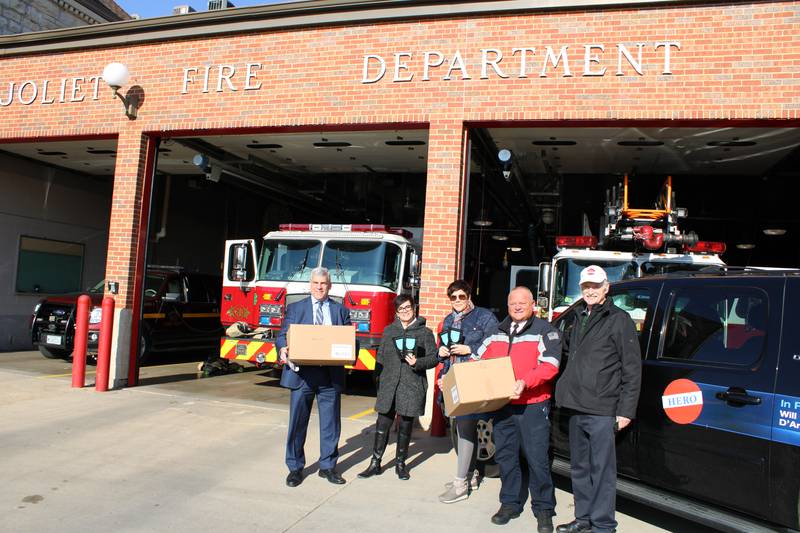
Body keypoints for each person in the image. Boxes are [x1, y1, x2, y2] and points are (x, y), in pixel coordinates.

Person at [555, 265, 642, 533]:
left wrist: (626, 410)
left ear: (606, 288)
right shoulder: (578, 316)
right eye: (586, 286)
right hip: (576, 405)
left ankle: (604, 526)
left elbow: (632, 367)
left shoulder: (619, 319)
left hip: (603, 408)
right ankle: (584, 520)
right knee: (579, 469)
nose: (590, 291)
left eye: (595, 286)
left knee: (601, 471)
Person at [477, 286, 561, 533]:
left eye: (522, 303)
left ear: (533, 304)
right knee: (506, 457)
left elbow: (550, 365)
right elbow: (478, 359)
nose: (517, 307)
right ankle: (509, 503)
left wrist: (525, 382)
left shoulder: (545, 331)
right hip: (503, 406)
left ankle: (544, 510)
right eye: (513, 303)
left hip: (533, 406)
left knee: (537, 460)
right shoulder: (496, 332)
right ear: (507, 304)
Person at [276, 267, 352, 488]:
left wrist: (349, 350)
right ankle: (295, 468)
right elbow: (282, 336)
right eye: (316, 283)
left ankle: (327, 467)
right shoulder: (296, 308)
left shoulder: (340, 311)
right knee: (298, 423)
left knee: (331, 424)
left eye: (324, 283)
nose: (319, 287)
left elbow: (348, 338)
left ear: (330, 286)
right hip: (302, 375)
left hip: (330, 375)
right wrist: (282, 349)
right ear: (310, 285)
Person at [358, 294, 438, 480]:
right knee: (382, 424)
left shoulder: (424, 332)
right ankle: (375, 463)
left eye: (408, 308)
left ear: (414, 308)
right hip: (389, 384)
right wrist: (378, 382)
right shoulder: (389, 331)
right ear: (396, 312)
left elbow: (434, 358)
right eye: (401, 309)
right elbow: (380, 359)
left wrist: (418, 362)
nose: (405, 312)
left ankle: (400, 464)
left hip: (411, 385)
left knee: (405, 427)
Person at [436, 279, 499, 503]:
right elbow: (440, 355)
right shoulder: (448, 320)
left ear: (469, 296)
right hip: (453, 381)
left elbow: (495, 346)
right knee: (463, 429)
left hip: (473, 381)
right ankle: (470, 476)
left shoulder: (484, 317)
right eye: (453, 298)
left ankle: (460, 484)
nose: (457, 301)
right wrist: (441, 358)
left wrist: (470, 348)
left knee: (464, 428)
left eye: (461, 297)